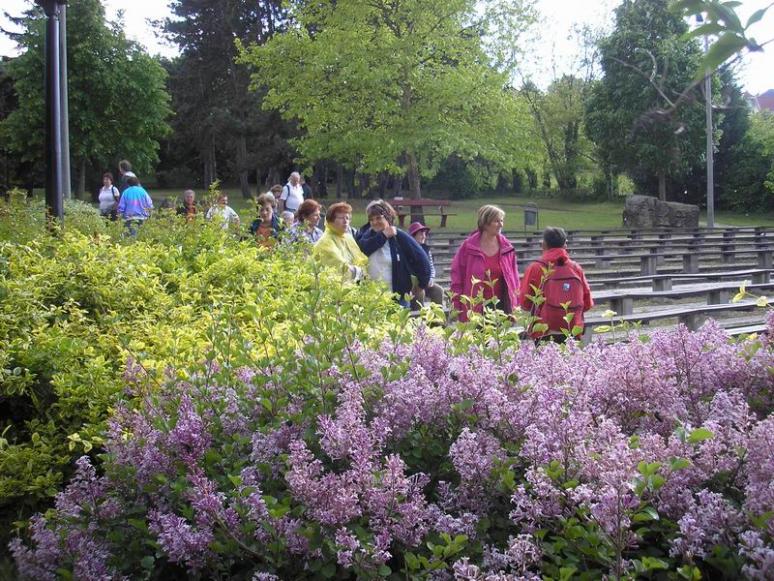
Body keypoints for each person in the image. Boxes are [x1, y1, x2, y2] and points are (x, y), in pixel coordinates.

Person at [519, 226, 593, 342]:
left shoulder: (535, 268)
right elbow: (587, 303)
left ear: (543, 245)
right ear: (565, 245)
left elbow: (525, 303)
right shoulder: (576, 268)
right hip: (573, 329)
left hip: (543, 330)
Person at [450, 205, 520, 322]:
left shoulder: (507, 248)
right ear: (485, 223)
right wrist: (456, 305)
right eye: (496, 221)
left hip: (501, 307)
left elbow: (515, 279)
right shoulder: (468, 247)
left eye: (502, 221)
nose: (501, 225)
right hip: (474, 308)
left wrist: (515, 306)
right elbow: (457, 278)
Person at [356, 200, 431, 306]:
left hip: (397, 298)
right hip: (371, 299)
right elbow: (363, 249)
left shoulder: (400, 237)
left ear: (388, 217)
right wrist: (383, 235)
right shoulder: (366, 236)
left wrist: (421, 285)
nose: (374, 222)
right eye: (371, 219)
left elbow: (422, 260)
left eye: (378, 218)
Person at [313, 202, 368, 281]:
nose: (345, 221)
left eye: (347, 218)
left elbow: (360, 259)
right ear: (330, 220)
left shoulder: (348, 237)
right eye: (342, 218)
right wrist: (359, 271)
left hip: (354, 286)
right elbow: (340, 266)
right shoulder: (325, 242)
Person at [408, 221, 445, 308]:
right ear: (413, 236)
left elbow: (431, 267)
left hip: (426, 282)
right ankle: (417, 319)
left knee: (438, 291)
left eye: (424, 234)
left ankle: (436, 320)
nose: (424, 236)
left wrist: (431, 279)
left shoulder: (427, 250)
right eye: (421, 234)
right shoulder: (407, 249)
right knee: (420, 294)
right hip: (412, 285)